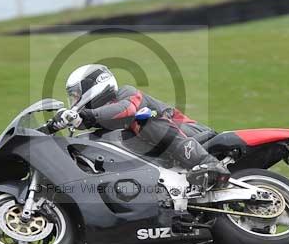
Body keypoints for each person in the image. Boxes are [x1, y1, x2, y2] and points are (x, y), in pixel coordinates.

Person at [50, 64, 230, 187]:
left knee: (144, 118)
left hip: (193, 134)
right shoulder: (104, 117)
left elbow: (126, 109)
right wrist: (55, 125)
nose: (74, 100)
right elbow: (88, 121)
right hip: (165, 154)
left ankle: (207, 163)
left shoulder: (126, 93)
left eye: (76, 95)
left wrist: (85, 115)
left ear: (92, 86)